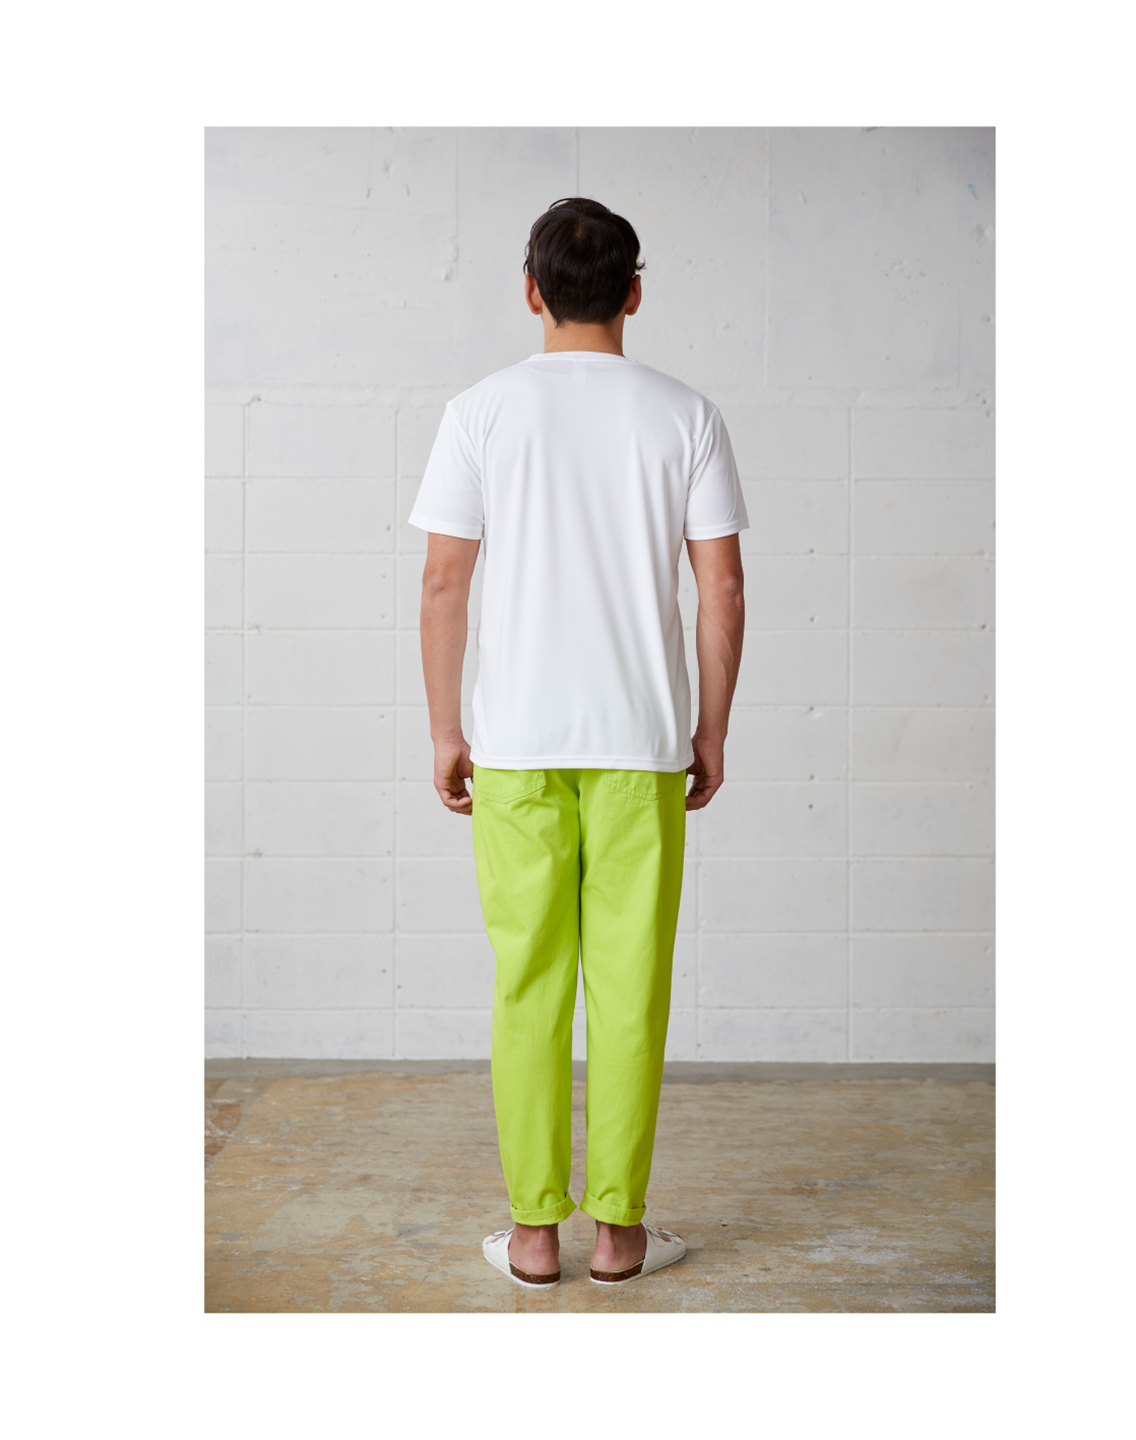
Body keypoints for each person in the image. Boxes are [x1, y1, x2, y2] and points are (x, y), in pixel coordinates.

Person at [408, 197, 747, 1289]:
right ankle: (620, 1235)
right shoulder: (687, 415)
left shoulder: (480, 412)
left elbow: (444, 582)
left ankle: (532, 1236)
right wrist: (710, 728)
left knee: (530, 985)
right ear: (634, 292)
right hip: (641, 742)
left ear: (531, 291)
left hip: (515, 743)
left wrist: (446, 729)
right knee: (630, 988)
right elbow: (721, 588)